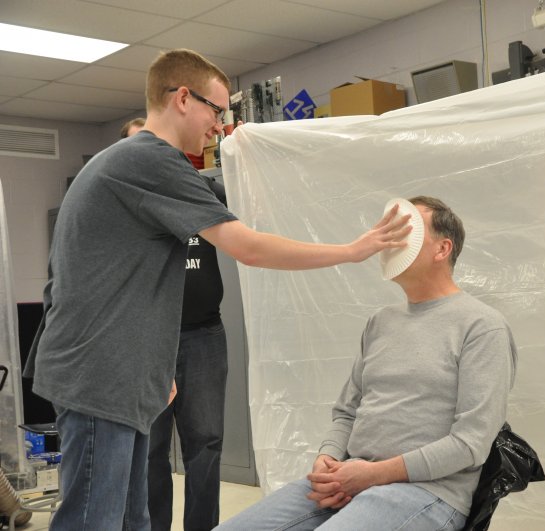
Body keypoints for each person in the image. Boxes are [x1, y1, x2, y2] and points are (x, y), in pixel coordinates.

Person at [23, 48, 410, 531]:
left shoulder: (124, 163)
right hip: (102, 374)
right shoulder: (150, 160)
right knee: (94, 520)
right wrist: (352, 250)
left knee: (132, 518)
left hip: (114, 369)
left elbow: (74, 277)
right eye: (217, 110)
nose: (221, 126)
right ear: (183, 98)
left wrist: (152, 362)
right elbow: (247, 247)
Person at [217, 196, 518, 531]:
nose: (387, 243)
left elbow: (470, 443)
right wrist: (328, 458)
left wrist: (372, 475)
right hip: (350, 478)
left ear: (442, 249)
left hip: (428, 492)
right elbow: (347, 412)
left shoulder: (481, 327)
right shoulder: (381, 322)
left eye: (405, 232)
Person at [121, 117, 228, 531]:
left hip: (204, 335)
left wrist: (238, 150)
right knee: (150, 449)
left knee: (207, 444)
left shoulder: (202, 190)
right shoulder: (125, 200)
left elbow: (247, 194)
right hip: (148, 338)